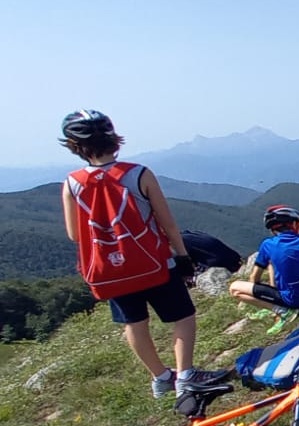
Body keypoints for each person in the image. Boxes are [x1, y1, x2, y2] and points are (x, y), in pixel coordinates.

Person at [59, 109, 223, 399]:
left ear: (74, 146)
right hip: (153, 262)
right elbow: (167, 222)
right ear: (113, 138)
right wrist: (183, 257)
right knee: (183, 316)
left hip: (110, 271)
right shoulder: (138, 174)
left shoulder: (72, 184)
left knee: (134, 323)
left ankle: (161, 378)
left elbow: (75, 235)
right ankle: (186, 375)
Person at [228, 204, 299, 333]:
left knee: (235, 288)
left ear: (273, 229)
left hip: (293, 300)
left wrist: (260, 295)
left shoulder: (268, 245)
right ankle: (278, 304)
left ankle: (282, 311)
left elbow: (254, 278)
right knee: (272, 263)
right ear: (293, 224)